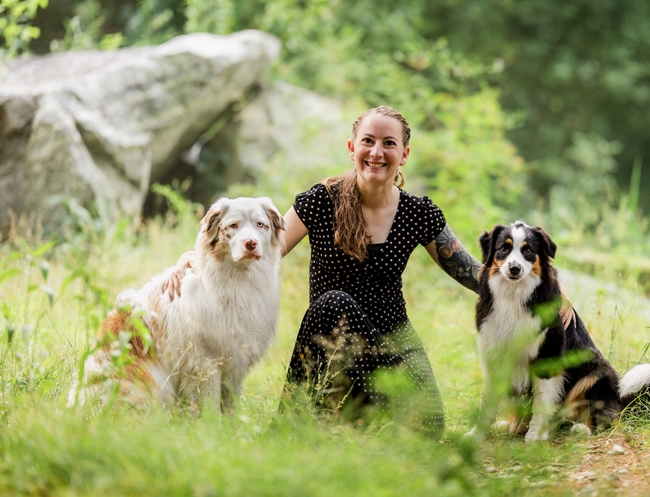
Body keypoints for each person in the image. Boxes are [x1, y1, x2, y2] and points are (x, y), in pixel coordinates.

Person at [166, 105, 573, 439]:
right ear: (352, 148)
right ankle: (307, 425)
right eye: (368, 141)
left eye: (389, 143)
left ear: (404, 154)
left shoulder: (418, 213)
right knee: (335, 301)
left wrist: (547, 294)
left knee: (428, 427)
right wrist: (192, 257)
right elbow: (261, 243)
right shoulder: (320, 201)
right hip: (332, 339)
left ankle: (352, 423)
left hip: (393, 340)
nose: (377, 152)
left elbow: (475, 272)